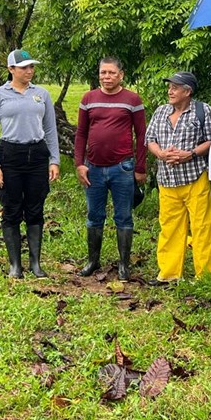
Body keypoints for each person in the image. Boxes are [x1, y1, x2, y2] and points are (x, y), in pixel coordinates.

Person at [0, 49, 61, 279]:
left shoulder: (41, 94)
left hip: (36, 154)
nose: (29, 71)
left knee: (35, 208)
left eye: (31, 67)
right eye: (24, 67)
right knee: (11, 208)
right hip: (10, 154)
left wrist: (54, 159)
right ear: (11, 70)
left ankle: (36, 264)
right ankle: (15, 265)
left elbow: (50, 129)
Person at [74, 57, 147, 280]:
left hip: (122, 167)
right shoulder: (89, 98)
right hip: (94, 168)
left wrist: (140, 167)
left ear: (121, 75)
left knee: (123, 217)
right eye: (103, 73)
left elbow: (141, 134)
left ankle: (124, 264)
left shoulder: (132, 99)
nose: (107, 77)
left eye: (111, 73)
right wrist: (79, 164)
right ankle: (92, 260)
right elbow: (81, 133)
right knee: (94, 216)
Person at [145, 72, 211, 285]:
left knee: (202, 228)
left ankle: (206, 278)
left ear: (188, 91)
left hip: (195, 178)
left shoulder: (203, 111)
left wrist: (191, 154)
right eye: (170, 87)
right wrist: (160, 154)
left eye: (175, 87)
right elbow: (150, 139)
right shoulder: (161, 112)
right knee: (169, 227)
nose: (170, 91)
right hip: (167, 179)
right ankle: (169, 274)